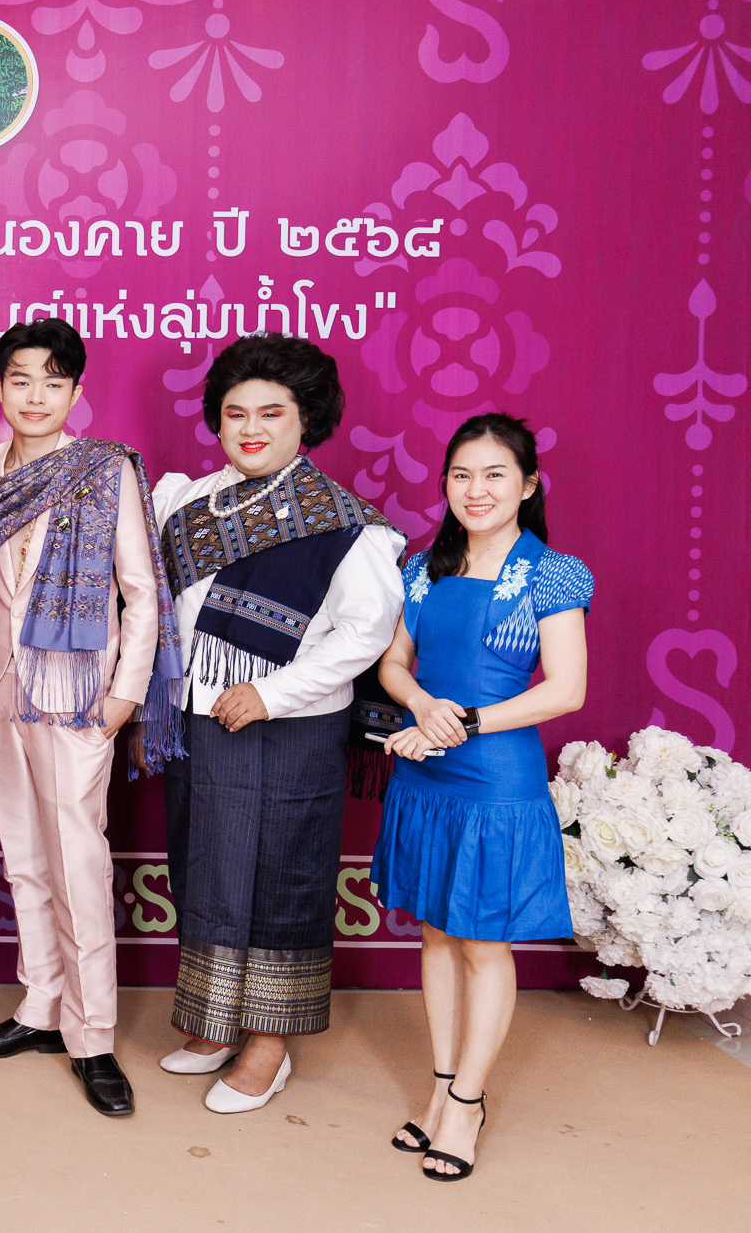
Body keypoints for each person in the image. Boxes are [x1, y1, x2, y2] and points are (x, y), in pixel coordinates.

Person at [149, 335, 406, 1114]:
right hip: (201, 721)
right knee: (207, 867)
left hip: (289, 728)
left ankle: (269, 1043)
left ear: (306, 420)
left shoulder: (346, 524)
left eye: (271, 412)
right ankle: (214, 1023)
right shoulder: (186, 502)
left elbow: (366, 630)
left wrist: (273, 691)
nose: (251, 427)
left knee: (280, 877)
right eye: (236, 413)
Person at [0, 318, 184, 1118]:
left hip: (79, 693)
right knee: (22, 855)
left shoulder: (106, 469)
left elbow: (141, 590)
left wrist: (124, 696)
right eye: (21, 379)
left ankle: (93, 1036)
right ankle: (41, 1007)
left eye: (53, 381)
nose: (36, 395)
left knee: (78, 862)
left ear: (76, 391)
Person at [371, 413, 590, 1182]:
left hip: (496, 780)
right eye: (462, 474)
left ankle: (467, 1103)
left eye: (495, 474)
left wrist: (461, 720)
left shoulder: (554, 572)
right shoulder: (422, 567)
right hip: (425, 769)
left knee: (482, 942)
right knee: (436, 932)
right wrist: (422, 705)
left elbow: (566, 688)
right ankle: (439, 1088)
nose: (477, 489)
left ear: (527, 485)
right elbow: (393, 664)